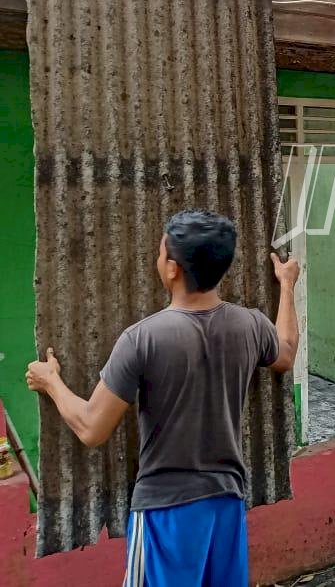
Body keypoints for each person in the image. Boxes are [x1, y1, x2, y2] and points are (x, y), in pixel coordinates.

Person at [26, 210, 300, 587]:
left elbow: (91, 427)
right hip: (226, 504)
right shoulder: (250, 325)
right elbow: (286, 353)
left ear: (172, 268)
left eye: (161, 253)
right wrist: (286, 285)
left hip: (166, 514)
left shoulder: (142, 339)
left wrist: (51, 381)